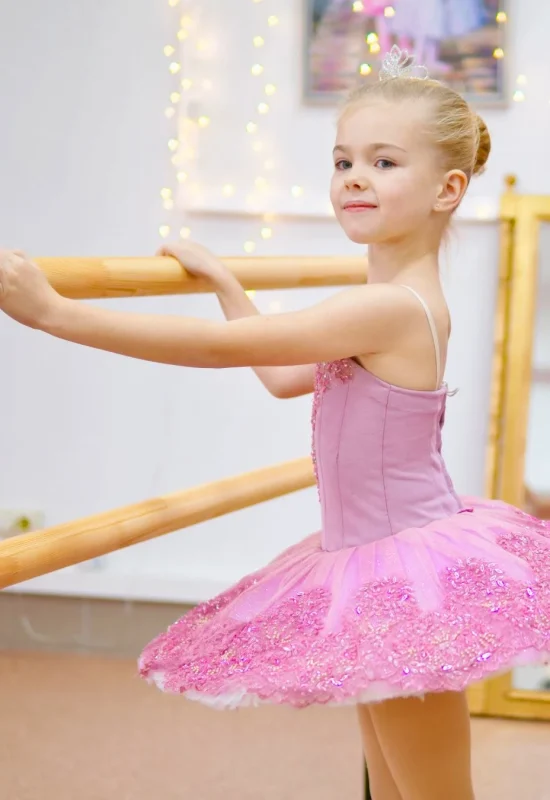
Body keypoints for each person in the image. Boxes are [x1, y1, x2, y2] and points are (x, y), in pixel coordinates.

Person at [1, 47, 549, 800]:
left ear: (447, 189)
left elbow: (228, 352)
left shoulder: (386, 306)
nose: (354, 177)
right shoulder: (383, 294)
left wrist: (55, 313)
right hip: (375, 566)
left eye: (385, 162)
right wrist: (226, 277)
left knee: (432, 793)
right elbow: (282, 375)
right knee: (394, 787)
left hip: (401, 573)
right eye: (343, 159)